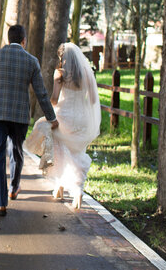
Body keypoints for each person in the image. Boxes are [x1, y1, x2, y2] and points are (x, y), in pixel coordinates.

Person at [0, 24, 57, 216]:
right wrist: (52, 117)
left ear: (7, 40)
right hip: (19, 116)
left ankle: (0, 203)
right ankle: (13, 188)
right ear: (24, 41)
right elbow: (42, 93)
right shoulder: (31, 61)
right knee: (17, 152)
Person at [40, 42, 101, 209]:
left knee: (61, 152)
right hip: (82, 118)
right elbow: (94, 100)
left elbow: (54, 98)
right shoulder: (87, 75)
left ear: (63, 58)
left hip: (64, 115)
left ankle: (59, 186)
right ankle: (77, 190)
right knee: (77, 152)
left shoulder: (60, 74)